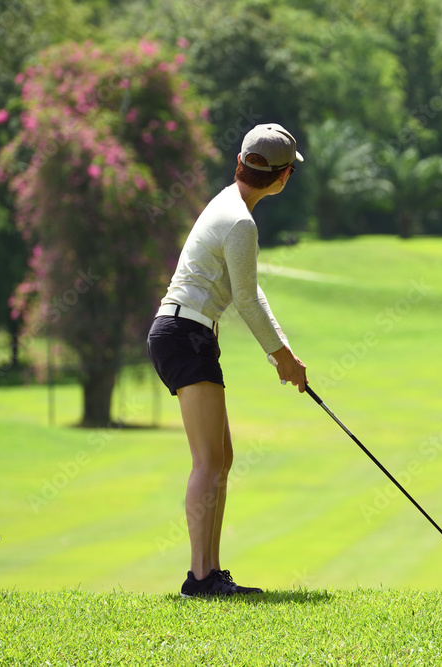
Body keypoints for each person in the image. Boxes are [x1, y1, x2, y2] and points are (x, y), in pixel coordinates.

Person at [147, 123, 308, 597]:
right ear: (281, 178)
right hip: (185, 333)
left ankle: (212, 573)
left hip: (187, 332)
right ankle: (200, 579)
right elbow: (247, 302)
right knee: (207, 461)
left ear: (241, 163)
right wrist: (280, 358)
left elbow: (249, 290)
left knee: (222, 457)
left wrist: (284, 351)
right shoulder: (241, 222)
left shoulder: (228, 204)